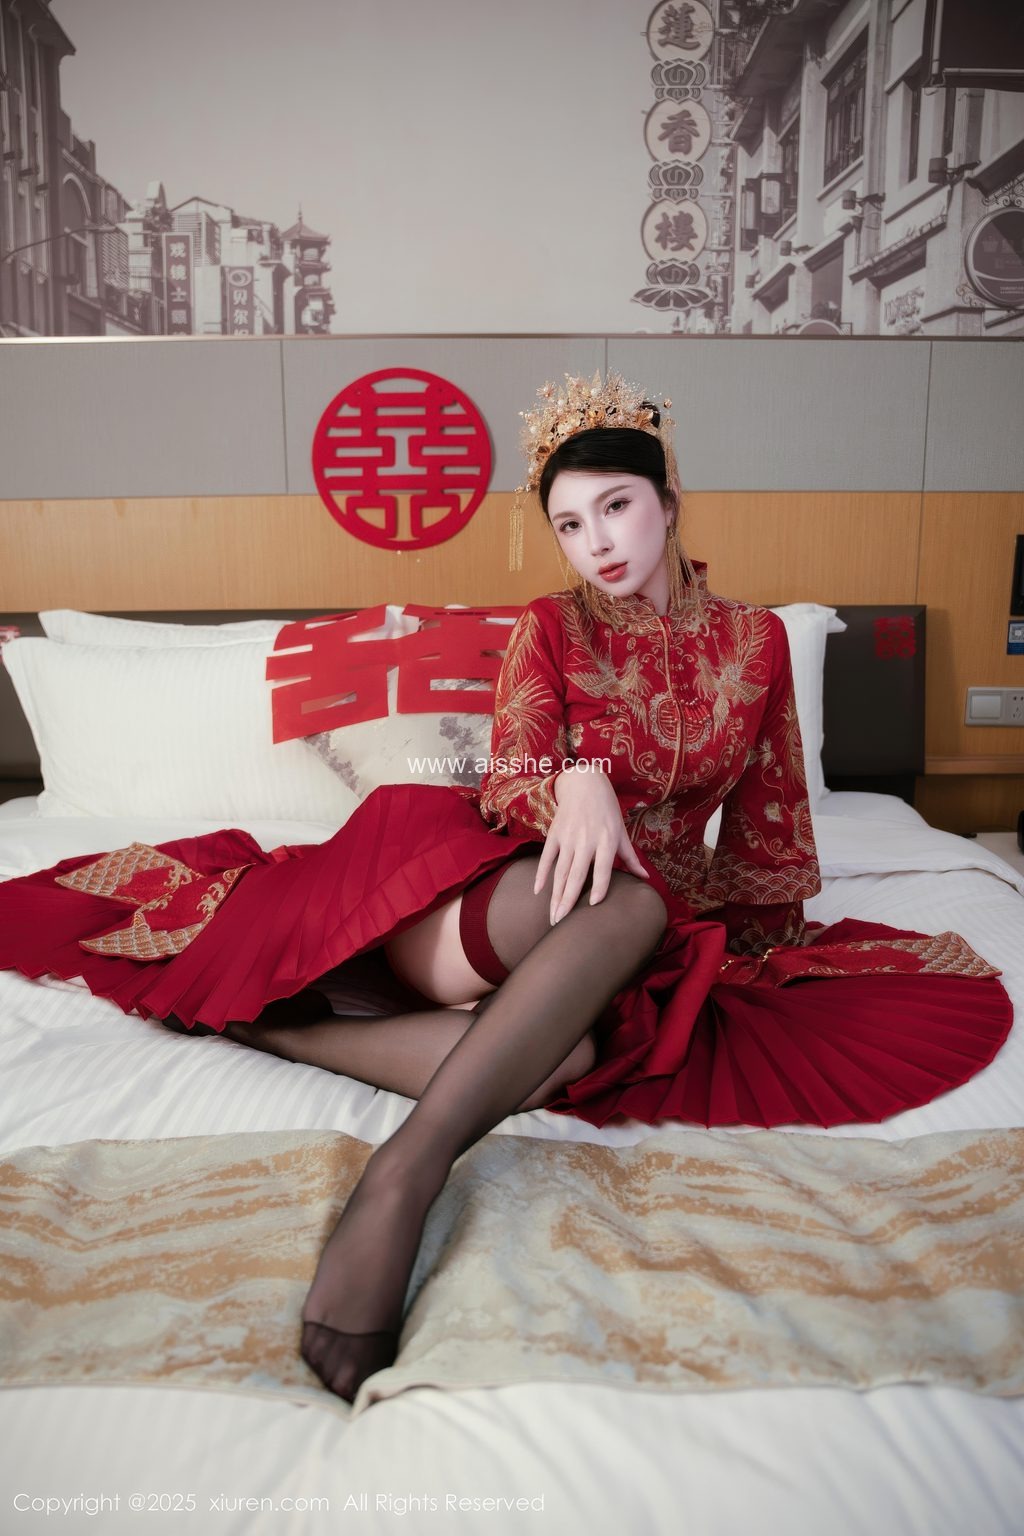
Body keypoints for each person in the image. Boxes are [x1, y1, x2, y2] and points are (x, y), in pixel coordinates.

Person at [0, 371, 1012, 1407]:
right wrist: (575, 782)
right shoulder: (552, 625)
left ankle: (281, 1033)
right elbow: (507, 777)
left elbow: (769, 815)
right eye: (570, 525)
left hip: (631, 931)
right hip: (480, 888)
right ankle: (404, 1176)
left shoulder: (755, 644)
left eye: (615, 507)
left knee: (566, 1058)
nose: (597, 542)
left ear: (668, 500)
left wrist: (760, 950)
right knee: (627, 904)